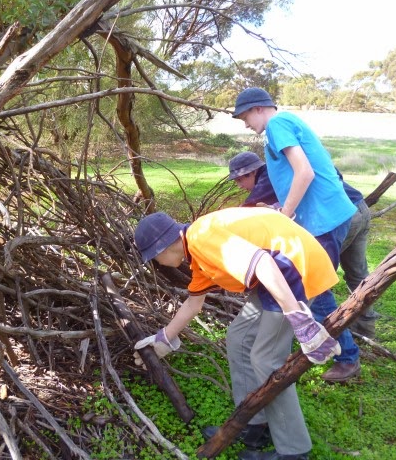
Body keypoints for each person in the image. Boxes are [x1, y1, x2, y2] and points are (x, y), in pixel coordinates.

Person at [133, 208, 343, 460]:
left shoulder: (202, 238)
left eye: (154, 259)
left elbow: (263, 262)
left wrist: (296, 316)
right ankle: (255, 425)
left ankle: (294, 451)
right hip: (275, 273)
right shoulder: (196, 251)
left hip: (293, 268)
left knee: (266, 359)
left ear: (162, 249)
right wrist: (163, 339)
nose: (157, 264)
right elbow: (193, 304)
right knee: (239, 339)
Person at [232, 88, 361, 383]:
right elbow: (296, 175)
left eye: (245, 116)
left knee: (315, 287)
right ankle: (334, 347)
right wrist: (280, 205)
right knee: (316, 286)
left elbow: (305, 172)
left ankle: (346, 356)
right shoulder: (284, 124)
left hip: (324, 220)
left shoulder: (278, 125)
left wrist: (285, 213)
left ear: (260, 109)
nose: (245, 124)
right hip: (323, 217)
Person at [228, 151, 378, 338]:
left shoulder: (267, 177)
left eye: (240, 180)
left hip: (338, 217)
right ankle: (365, 328)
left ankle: (339, 343)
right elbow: (336, 174)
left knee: (315, 278)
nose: (240, 186)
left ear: (251, 173)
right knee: (357, 275)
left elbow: (246, 212)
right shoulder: (291, 164)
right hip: (358, 208)